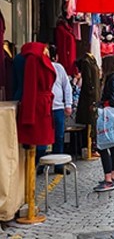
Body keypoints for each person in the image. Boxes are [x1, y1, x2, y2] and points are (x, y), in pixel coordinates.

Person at [37, 45, 73, 174]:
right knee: (42, 136)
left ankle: (59, 165)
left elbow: (66, 87)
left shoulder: (59, 68)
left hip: (57, 107)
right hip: (44, 107)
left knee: (59, 136)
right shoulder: (39, 67)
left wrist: (68, 104)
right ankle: (40, 163)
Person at [94, 55, 114, 192]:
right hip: (113, 114)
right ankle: (113, 176)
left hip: (109, 114)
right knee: (112, 145)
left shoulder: (112, 79)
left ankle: (108, 179)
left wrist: (100, 104)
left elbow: (113, 99)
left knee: (104, 145)